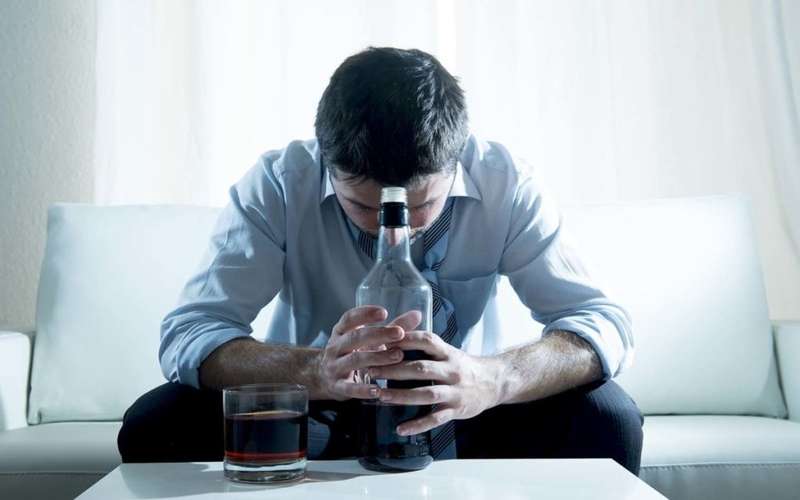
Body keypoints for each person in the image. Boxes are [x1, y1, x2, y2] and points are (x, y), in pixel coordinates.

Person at [118, 47, 643, 474]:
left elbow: (600, 324)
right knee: (158, 422)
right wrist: (316, 370)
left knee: (608, 417)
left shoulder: (507, 183)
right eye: (365, 208)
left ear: (456, 160)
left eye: (420, 208)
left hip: (470, 404)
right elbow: (192, 332)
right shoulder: (278, 184)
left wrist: (494, 377)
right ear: (327, 161)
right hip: (326, 407)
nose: (396, 229)